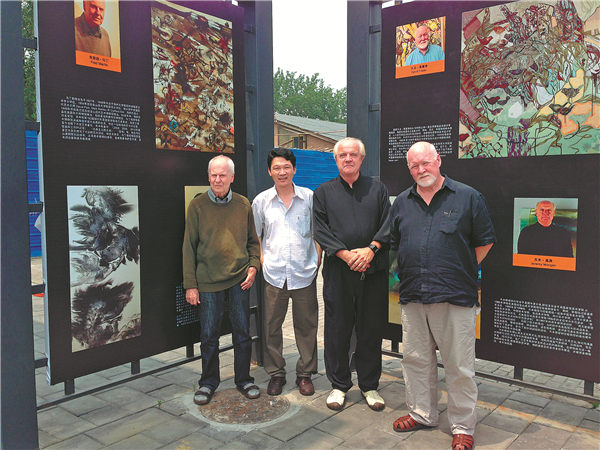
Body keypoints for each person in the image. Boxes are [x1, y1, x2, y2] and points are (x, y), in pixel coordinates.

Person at [389, 142, 496, 450]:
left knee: (459, 365)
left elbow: (485, 241)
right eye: (414, 165)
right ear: (409, 169)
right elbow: (396, 242)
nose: (421, 169)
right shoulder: (403, 202)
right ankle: (421, 413)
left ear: (438, 160)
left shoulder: (468, 197)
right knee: (415, 359)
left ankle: (463, 425)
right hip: (413, 294)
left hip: (454, 295)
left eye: (425, 162)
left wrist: (459, 268)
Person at [313, 137, 390, 412]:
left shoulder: (377, 189)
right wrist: (345, 255)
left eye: (353, 154)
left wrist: (371, 250)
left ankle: (369, 385)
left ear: (361, 158)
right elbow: (320, 229)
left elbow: (388, 224)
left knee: (371, 329)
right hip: (339, 271)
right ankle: (339, 384)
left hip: (372, 270)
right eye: (343, 155)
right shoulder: (323, 192)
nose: (348, 158)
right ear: (335, 159)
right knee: (337, 329)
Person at [182, 155, 261, 405]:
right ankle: (207, 383)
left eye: (222, 175)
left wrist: (253, 266)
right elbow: (188, 247)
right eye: (214, 175)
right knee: (209, 336)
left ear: (232, 178)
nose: (217, 179)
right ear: (208, 177)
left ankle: (244, 379)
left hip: (239, 279)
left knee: (242, 333)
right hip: (207, 282)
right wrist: (191, 285)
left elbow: (253, 242)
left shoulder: (243, 204)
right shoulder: (197, 206)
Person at [252, 148, 321, 396]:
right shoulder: (261, 201)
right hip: (274, 274)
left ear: (294, 169)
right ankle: (276, 373)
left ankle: (305, 374)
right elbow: (256, 234)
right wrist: (262, 259)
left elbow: (317, 232)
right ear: (269, 171)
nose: (282, 172)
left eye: (286, 167)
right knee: (272, 326)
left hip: (304, 273)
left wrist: (317, 260)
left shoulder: (309, 197)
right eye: (277, 168)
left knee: (307, 326)